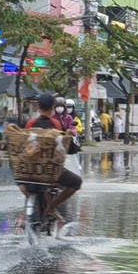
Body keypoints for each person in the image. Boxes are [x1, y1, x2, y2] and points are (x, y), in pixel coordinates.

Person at [23, 92, 82, 225]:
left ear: (39, 107)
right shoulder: (56, 124)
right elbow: (64, 146)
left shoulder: (30, 124)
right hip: (50, 170)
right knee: (76, 182)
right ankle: (52, 207)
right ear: (52, 108)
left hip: (31, 171)